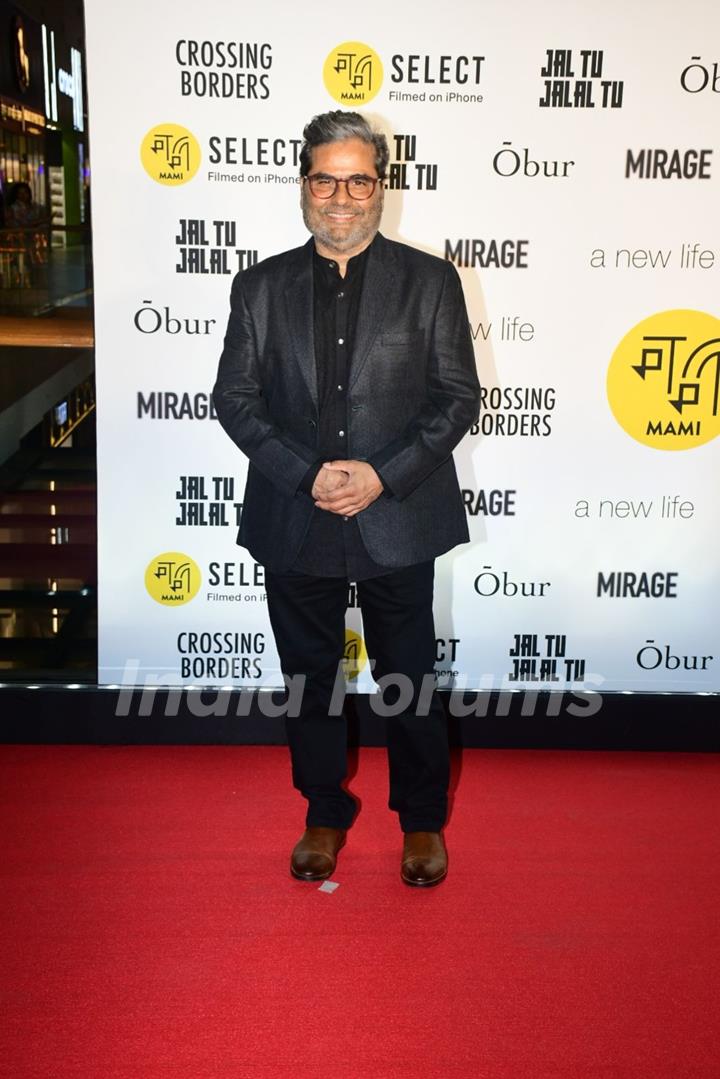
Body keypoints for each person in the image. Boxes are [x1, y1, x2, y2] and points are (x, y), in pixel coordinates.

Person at [213, 110, 479, 887]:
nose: (340, 195)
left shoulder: (431, 281)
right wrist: (305, 472)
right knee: (309, 675)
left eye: (357, 179)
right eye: (325, 178)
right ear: (304, 185)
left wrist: (381, 474)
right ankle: (324, 810)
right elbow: (235, 399)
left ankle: (422, 820)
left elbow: (456, 398)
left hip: (398, 511)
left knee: (409, 676)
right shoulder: (259, 287)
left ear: (381, 188)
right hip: (294, 514)